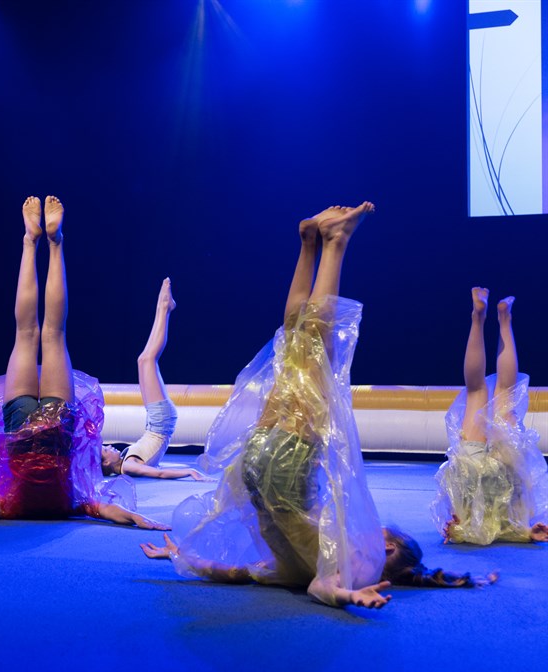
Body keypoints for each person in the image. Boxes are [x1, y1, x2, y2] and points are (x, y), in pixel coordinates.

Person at [141, 202, 492, 609]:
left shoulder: (362, 563)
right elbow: (243, 573)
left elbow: (323, 588)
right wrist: (187, 559)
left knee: (314, 348)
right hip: (258, 466)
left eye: (381, 534)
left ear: (388, 548)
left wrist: (348, 593)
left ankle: (335, 241)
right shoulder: (299, 567)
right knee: (294, 345)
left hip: (285, 468)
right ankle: (309, 243)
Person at [0, 196, 167, 529]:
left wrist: (137, 519)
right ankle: (32, 241)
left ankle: (53, 242)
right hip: (21, 426)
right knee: (28, 333)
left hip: (57, 427)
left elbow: (104, 510)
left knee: (52, 333)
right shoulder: (16, 506)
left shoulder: (64, 505)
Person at [431, 289, 548, 544]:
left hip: (490, 478)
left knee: (500, 390)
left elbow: (510, 527)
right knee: (478, 390)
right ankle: (482, 317)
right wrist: (528, 532)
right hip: (474, 477)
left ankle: (496, 319)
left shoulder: (495, 531)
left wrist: (528, 532)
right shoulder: (484, 531)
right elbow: (506, 528)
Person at [100, 278, 205, 481]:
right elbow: (159, 473)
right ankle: (164, 307)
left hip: (155, 424)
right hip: (160, 423)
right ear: (106, 463)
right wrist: (189, 472)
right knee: (148, 360)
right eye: (106, 450)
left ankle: (165, 307)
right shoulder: (128, 466)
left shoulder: (126, 462)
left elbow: (155, 464)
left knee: (143, 360)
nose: (110, 446)